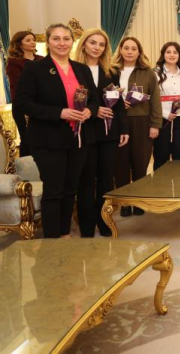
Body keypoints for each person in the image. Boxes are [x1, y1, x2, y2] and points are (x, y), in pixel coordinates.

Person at [16, 23, 98, 238]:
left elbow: (95, 99)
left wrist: (89, 110)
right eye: (56, 38)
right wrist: (59, 112)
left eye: (66, 39)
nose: (62, 43)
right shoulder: (34, 69)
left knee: (70, 189)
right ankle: (52, 241)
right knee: (54, 189)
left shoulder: (82, 69)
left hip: (78, 138)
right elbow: (23, 103)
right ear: (48, 41)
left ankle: (64, 234)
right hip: (47, 139)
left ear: (72, 42)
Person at [74, 28, 128, 237]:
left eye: (102, 44)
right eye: (93, 42)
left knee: (106, 179)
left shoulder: (111, 71)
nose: (97, 47)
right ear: (84, 44)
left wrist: (123, 128)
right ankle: (87, 226)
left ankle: (104, 222)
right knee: (86, 180)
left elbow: (118, 103)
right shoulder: (74, 70)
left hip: (109, 132)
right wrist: (94, 111)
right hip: (85, 131)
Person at [112, 36, 161, 217]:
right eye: (126, 48)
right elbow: (104, 94)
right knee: (120, 164)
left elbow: (155, 99)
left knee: (140, 163)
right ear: (121, 50)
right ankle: (124, 203)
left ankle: (139, 201)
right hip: (118, 122)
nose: (130, 52)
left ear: (139, 52)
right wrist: (117, 102)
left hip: (142, 121)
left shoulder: (148, 72)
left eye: (134, 48)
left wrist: (155, 124)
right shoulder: (111, 70)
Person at [153, 42, 180, 171]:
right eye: (168, 52)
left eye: (175, 52)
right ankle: (160, 183)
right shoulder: (155, 73)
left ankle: (179, 183)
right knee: (161, 155)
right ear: (163, 54)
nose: (172, 55)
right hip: (163, 121)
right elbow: (153, 99)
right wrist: (165, 114)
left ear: (179, 55)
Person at [6, 30, 43, 157]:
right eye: (28, 40)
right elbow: (18, 87)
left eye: (33, 39)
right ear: (19, 44)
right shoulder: (14, 62)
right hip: (22, 106)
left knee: (42, 138)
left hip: (41, 105)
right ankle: (26, 167)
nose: (33, 42)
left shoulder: (42, 60)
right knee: (27, 138)